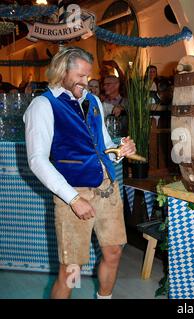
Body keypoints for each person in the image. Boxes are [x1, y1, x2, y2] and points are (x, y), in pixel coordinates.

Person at [23, 47, 137, 299]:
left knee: (114, 252)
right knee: (72, 269)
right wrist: (73, 199)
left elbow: (103, 144)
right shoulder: (42, 106)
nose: (87, 83)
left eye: (88, 76)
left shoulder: (93, 101)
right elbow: (37, 161)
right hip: (72, 193)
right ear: (62, 71)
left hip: (107, 189)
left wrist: (120, 149)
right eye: (81, 76)